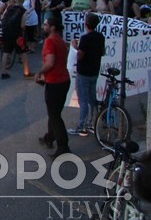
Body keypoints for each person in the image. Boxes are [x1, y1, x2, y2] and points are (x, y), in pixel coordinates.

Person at [36, 15, 70, 158]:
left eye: (45, 25)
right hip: (63, 80)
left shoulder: (50, 41)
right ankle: (49, 137)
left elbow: (50, 62)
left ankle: (63, 145)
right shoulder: (61, 41)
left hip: (55, 82)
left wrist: (39, 73)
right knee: (54, 112)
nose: (44, 27)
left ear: (52, 27)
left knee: (55, 115)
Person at [68, 13, 105, 137]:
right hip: (94, 71)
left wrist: (75, 47)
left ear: (86, 24)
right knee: (91, 98)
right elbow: (102, 52)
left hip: (84, 72)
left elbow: (80, 55)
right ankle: (92, 123)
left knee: (83, 99)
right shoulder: (100, 37)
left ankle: (81, 125)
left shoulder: (85, 38)